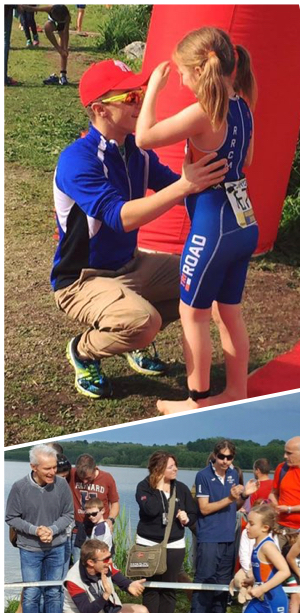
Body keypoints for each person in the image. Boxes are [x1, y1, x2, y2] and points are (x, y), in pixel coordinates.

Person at [53, 59, 228, 399]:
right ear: (101, 109)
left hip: (130, 265)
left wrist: (221, 178)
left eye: (143, 93)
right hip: (81, 280)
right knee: (143, 322)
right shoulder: (78, 160)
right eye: (131, 97)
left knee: (201, 277)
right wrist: (184, 187)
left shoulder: (134, 151)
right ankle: (84, 349)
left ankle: (133, 335)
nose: (141, 102)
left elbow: (177, 185)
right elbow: (120, 216)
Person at [135, 27, 259, 415]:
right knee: (229, 312)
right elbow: (248, 160)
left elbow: (144, 137)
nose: (182, 80)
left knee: (194, 313)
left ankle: (196, 401)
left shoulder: (204, 111)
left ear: (199, 69)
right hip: (244, 224)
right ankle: (236, 390)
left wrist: (154, 86)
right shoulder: (242, 105)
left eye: (182, 73)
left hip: (214, 227)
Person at [5, 444, 74, 613]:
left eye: (54, 467)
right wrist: (35, 530)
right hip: (30, 549)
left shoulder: (62, 485)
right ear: (34, 467)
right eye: (47, 469)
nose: (53, 472)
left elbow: (69, 514)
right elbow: (11, 518)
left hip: (57, 547)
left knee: (54, 591)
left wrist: (52, 530)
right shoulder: (19, 487)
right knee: (32, 593)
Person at [190, 439, 248, 613]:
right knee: (204, 582)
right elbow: (204, 509)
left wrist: (245, 496)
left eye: (229, 457)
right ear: (214, 456)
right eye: (221, 457)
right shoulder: (203, 476)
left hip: (228, 537)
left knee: (223, 585)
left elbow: (236, 504)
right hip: (209, 537)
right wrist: (232, 499)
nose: (225, 461)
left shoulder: (233, 474)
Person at [135, 451, 194, 613]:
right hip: (147, 544)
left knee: (169, 588)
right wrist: (159, 488)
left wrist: (186, 518)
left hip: (174, 545)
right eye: (170, 466)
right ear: (158, 469)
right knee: (151, 588)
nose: (176, 469)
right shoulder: (144, 487)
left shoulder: (182, 489)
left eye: (175, 465)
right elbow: (150, 510)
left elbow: (194, 514)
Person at [69, 454, 120, 563]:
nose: (85, 482)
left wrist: (111, 519)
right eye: (81, 478)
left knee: (102, 564)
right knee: (80, 566)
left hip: (100, 531)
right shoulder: (72, 474)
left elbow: (114, 503)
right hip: (79, 531)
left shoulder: (107, 478)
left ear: (95, 468)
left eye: (88, 478)